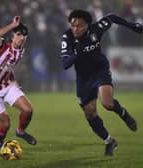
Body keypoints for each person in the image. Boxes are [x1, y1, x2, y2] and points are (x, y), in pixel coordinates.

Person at [60, 9, 143, 156]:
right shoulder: (67, 37)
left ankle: (123, 114)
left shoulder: (96, 29)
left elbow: (111, 17)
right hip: (84, 78)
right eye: (73, 25)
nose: (75, 29)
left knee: (108, 103)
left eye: (79, 25)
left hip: (100, 71)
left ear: (87, 25)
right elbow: (65, 64)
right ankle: (109, 141)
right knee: (90, 113)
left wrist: (132, 26)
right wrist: (76, 54)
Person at [0, 16, 37, 151]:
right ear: (12, 36)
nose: (22, 38)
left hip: (6, 85)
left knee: (28, 110)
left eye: (24, 35)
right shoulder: (1, 46)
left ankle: (21, 132)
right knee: (5, 124)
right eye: (19, 35)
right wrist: (12, 25)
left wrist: (13, 81)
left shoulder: (20, 51)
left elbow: (7, 67)